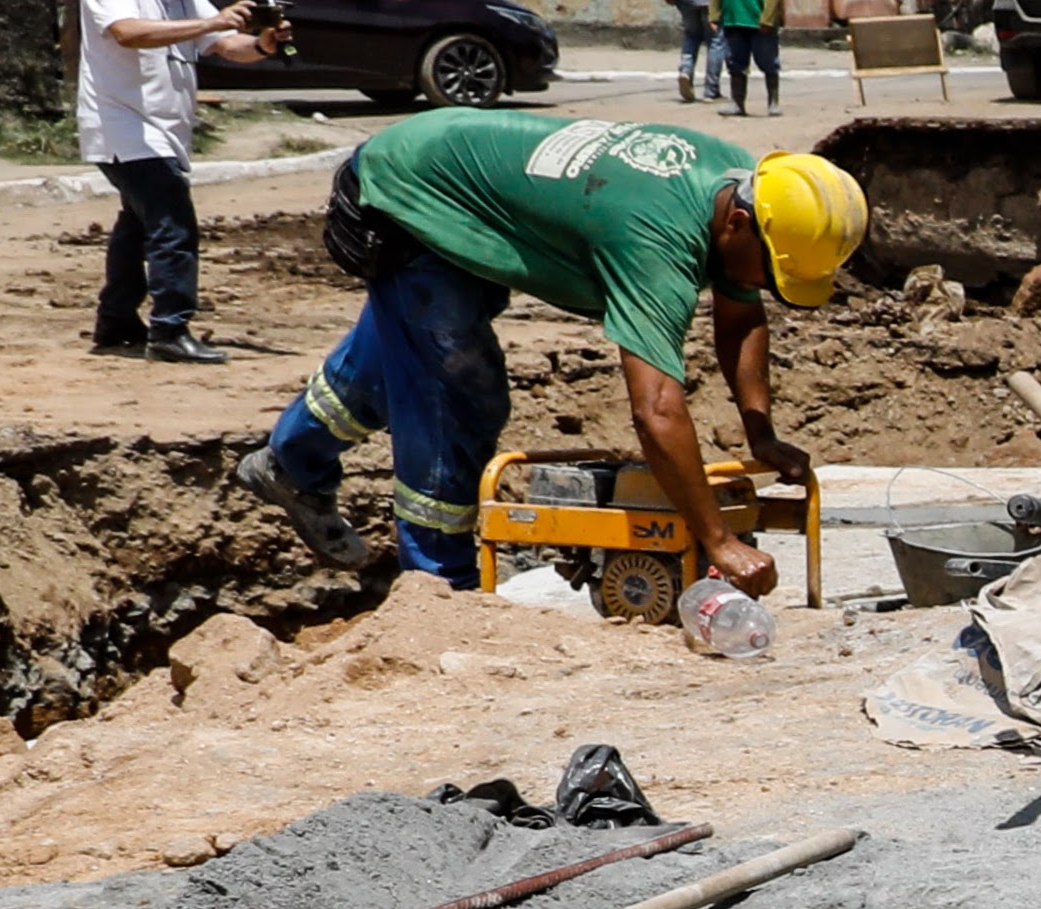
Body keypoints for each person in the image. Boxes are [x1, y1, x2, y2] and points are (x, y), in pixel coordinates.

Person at [239, 109, 862, 607]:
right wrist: (718, 539)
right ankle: (439, 589)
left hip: (446, 170)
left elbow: (741, 311)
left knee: (405, 351)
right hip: (402, 197)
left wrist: (762, 432)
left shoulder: (743, 189)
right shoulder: (655, 243)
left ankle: (293, 461)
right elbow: (656, 411)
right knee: (456, 394)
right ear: (739, 227)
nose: (770, 290)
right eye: (774, 274)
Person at [72, 0, 279, 363]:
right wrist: (210, 22)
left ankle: (117, 322)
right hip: (122, 126)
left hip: (163, 131)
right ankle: (169, 328)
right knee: (172, 223)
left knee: (138, 225)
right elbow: (128, 32)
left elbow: (225, 45)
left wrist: (263, 45)